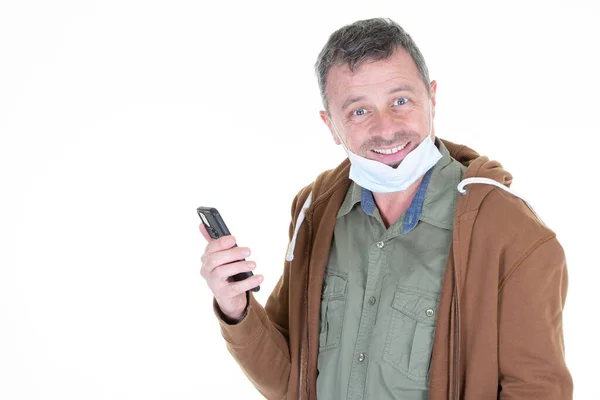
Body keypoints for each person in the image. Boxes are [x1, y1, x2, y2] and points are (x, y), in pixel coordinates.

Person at [199, 17, 573, 399]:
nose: (386, 129)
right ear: (331, 126)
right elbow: (291, 381)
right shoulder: (315, 212)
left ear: (432, 98)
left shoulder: (510, 232)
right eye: (359, 111)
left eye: (400, 101)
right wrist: (237, 309)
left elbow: (538, 389)